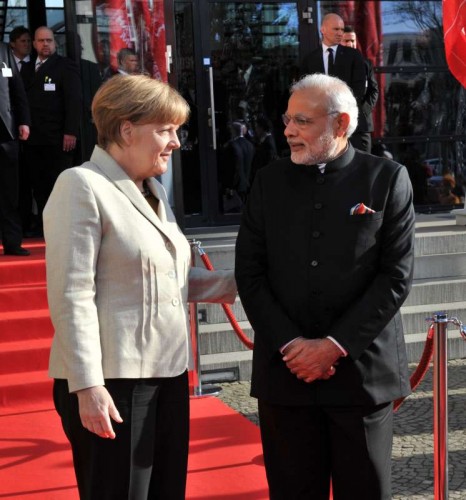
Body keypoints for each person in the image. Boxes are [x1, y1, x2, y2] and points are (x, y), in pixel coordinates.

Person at [44, 75, 236, 500]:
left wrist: (245, 282)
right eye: (166, 130)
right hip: (112, 382)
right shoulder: (81, 185)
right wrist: (88, 386)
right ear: (126, 129)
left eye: (177, 131)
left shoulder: (151, 190)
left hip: (165, 373)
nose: (176, 142)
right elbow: (71, 295)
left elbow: (166, 281)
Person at [235, 73, 415, 500]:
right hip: (286, 376)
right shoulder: (268, 181)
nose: (288, 131)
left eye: (302, 121)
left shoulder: (387, 179)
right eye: (286, 120)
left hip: (361, 375)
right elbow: (250, 274)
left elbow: (396, 276)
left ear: (340, 123)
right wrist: (291, 346)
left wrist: (334, 345)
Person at [21, 26, 82, 236]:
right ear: (34, 44)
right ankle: (45, 225)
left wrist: (71, 131)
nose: (45, 44)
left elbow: (73, 101)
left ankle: (61, 227)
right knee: (38, 186)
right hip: (33, 140)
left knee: (59, 185)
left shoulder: (65, 66)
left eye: (49, 40)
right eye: (40, 41)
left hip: (58, 139)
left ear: (55, 43)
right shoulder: (27, 68)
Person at [0, 41, 31, 256]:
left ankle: (12, 242)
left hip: (5, 130)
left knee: (9, 191)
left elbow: (16, 87)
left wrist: (24, 121)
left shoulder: (4, 50)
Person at [303, 13, 366, 116]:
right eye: (336, 29)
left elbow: (359, 88)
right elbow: (306, 89)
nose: (340, 33)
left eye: (342, 29)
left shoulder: (354, 56)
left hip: (347, 115)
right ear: (323, 30)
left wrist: (343, 108)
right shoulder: (309, 59)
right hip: (320, 117)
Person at [341, 26, 379, 152]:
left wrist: (363, 112)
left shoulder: (366, 64)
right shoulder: (332, 64)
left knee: (363, 164)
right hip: (339, 127)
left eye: (353, 41)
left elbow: (374, 91)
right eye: (346, 41)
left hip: (361, 126)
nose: (350, 44)